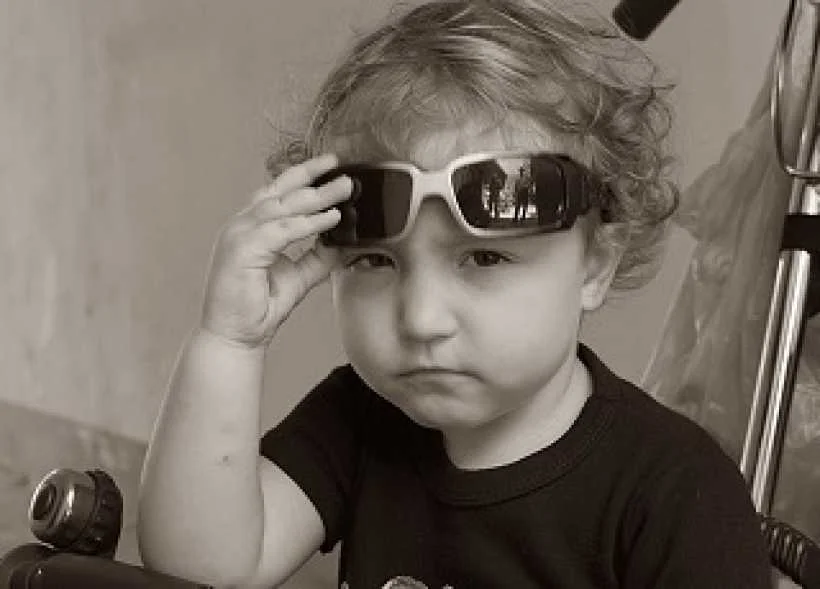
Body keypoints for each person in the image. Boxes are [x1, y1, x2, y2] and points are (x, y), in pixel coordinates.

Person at [137, 1, 774, 588]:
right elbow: (204, 569)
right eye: (376, 261)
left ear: (595, 268)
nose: (421, 319)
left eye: (485, 257)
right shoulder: (358, 421)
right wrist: (228, 341)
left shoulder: (676, 492)